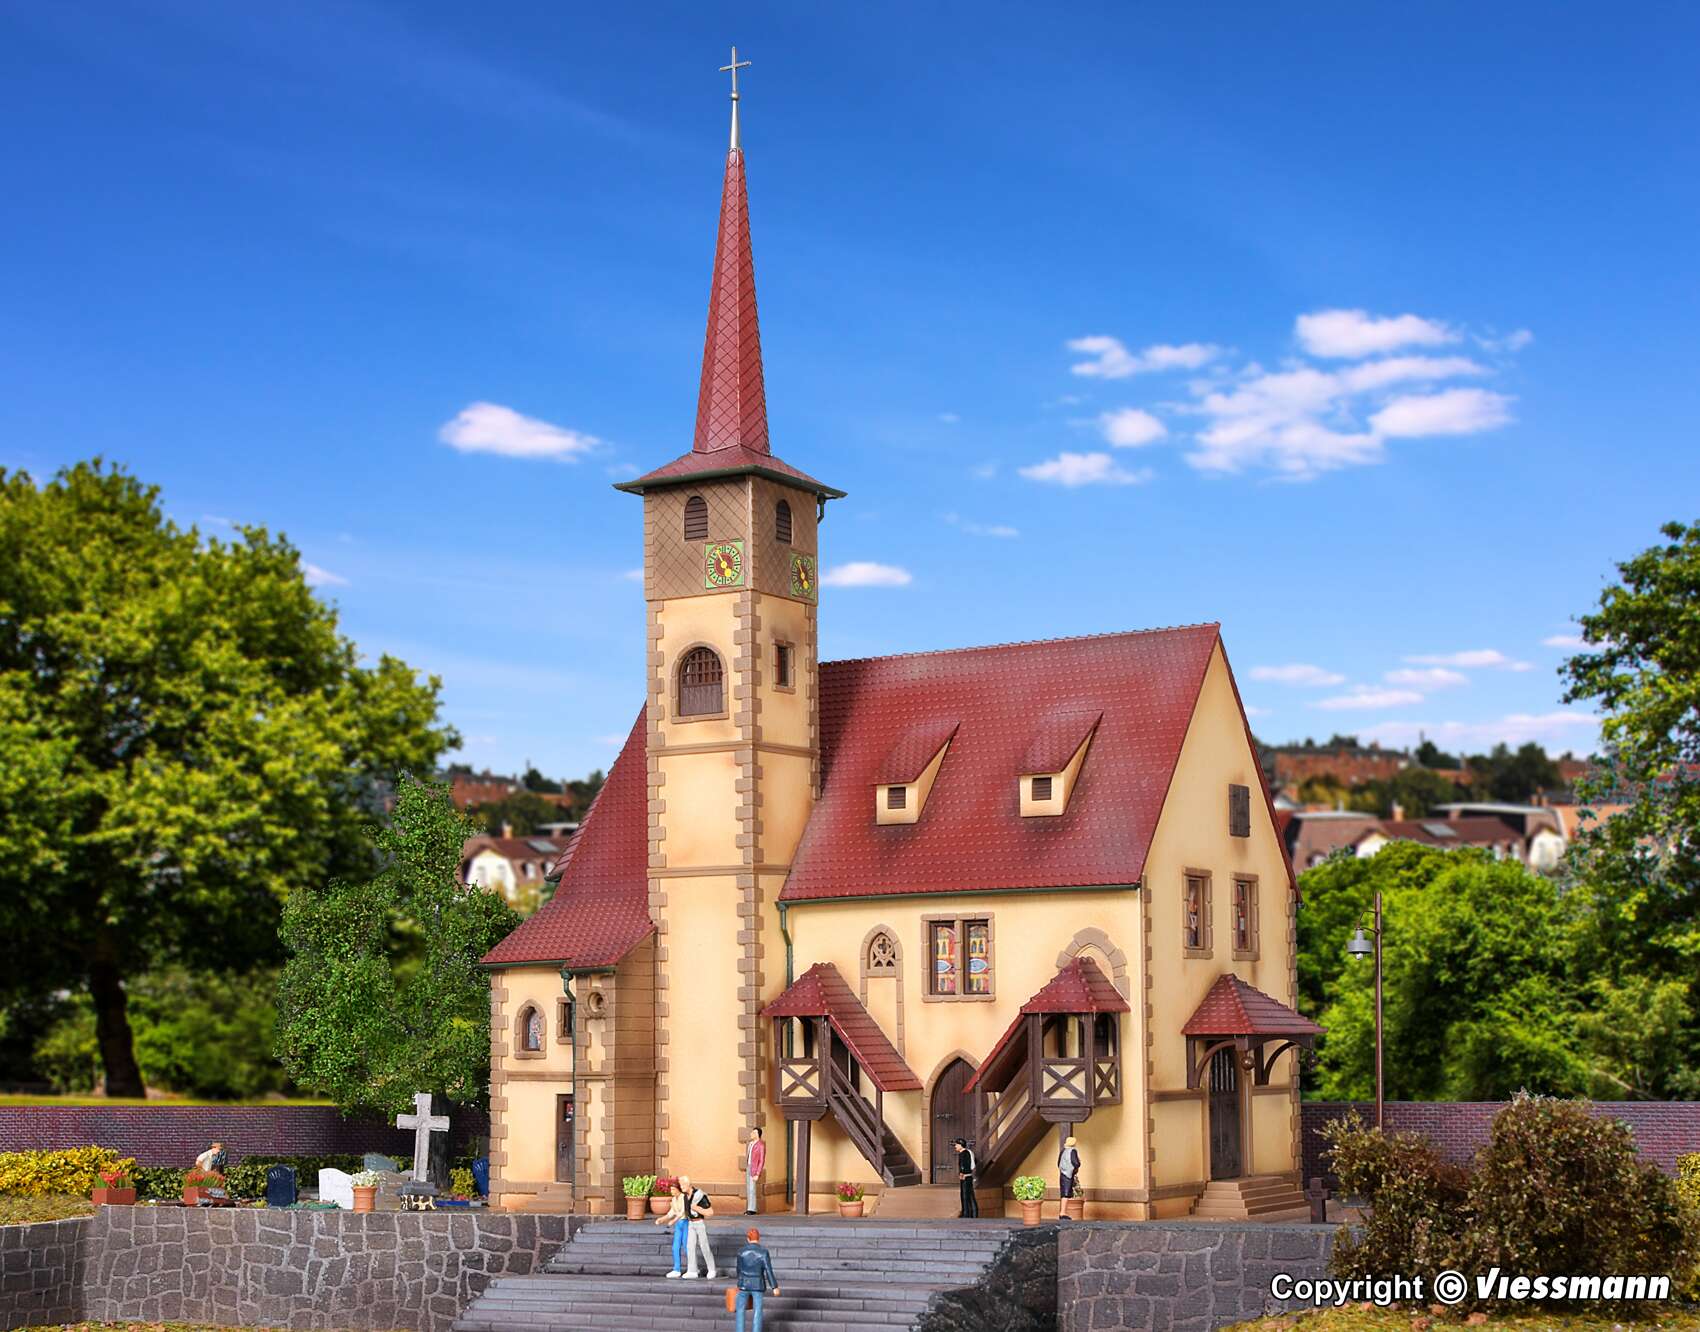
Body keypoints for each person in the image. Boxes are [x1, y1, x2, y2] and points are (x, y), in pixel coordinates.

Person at [732, 1227, 780, 1332]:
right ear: (759, 1238)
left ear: (748, 1239)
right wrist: (774, 1287)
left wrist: (739, 1283)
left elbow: (738, 1269)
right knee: (758, 1311)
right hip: (757, 1286)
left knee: (740, 1310)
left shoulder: (741, 1252)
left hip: (743, 1285)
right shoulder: (763, 1252)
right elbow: (768, 1270)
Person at [678, 1174, 717, 1279]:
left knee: (704, 1246)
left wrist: (697, 1209)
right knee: (690, 1246)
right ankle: (692, 1270)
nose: (681, 1187)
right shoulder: (685, 1196)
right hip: (690, 1223)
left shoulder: (700, 1195)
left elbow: (710, 1212)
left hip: (699, 1223)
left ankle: (712, 1269)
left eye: (682, 1185)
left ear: (688, 1184)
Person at [654, 1179, 688, 1277]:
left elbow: (683, 1212)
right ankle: (676, 1269)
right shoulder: (674, 1200)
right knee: (675, 1247)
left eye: (673, 1189)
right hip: (678, 1225)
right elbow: (671, 1213)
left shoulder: (684, 1198)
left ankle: (692, 1268)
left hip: (685, 1223)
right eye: (671, 1190)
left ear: (678, 1189)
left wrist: (673, 1221)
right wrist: (662, 1219)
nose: (672, 1192)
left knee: (686, 1246)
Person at [953, 1137, 978, 1218]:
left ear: (961, 1145)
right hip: (969, 1177)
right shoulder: (968, 1152)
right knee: (970, 1195)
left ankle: (966, 1213)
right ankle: (974, 1213)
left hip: (965, 1177)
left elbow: (964, 1165)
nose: (955, 1146)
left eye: (957, 1144)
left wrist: (962, 1173)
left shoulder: (963, 1154)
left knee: (964, 1196)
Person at [743, 1127, 765, 1215]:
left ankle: (752, 1209)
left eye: (753, 1132)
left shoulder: (761, 1145)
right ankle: (749, 1207)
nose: (751, 1134)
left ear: (757, 1134)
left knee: (752, 1189)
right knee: (749, 1188)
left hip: (754, 1169)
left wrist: (757, 1173)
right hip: (749, 1167)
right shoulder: (751, 1144)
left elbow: (761, 1160)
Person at [1058, 1135, 1082, 1209]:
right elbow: (1075, 1162)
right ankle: (1063, 1212)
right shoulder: (1072, 1151)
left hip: (1063, 1173)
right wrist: (1079, 1163)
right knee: (1066, 1193)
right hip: (1068, 1174)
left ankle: (1063, 1212)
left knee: (1064, 1193)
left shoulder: (1063, 1151)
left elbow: (1058, 1163)